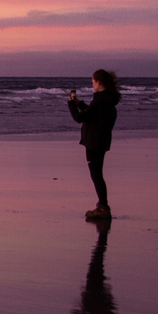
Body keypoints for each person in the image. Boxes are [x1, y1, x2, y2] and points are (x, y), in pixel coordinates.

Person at [67, 69, 120, 220]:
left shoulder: (100, 100)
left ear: (98, 82)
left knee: (96, 175)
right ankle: (102, 205)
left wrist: (71, 105)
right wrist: (80, 104)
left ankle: (103, 207)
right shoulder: (107, 100)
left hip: (94, 142)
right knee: (97, 174)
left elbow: (79, 118)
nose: (92, 85)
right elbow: (92, 114)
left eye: (93, 82)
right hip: (101, 141)